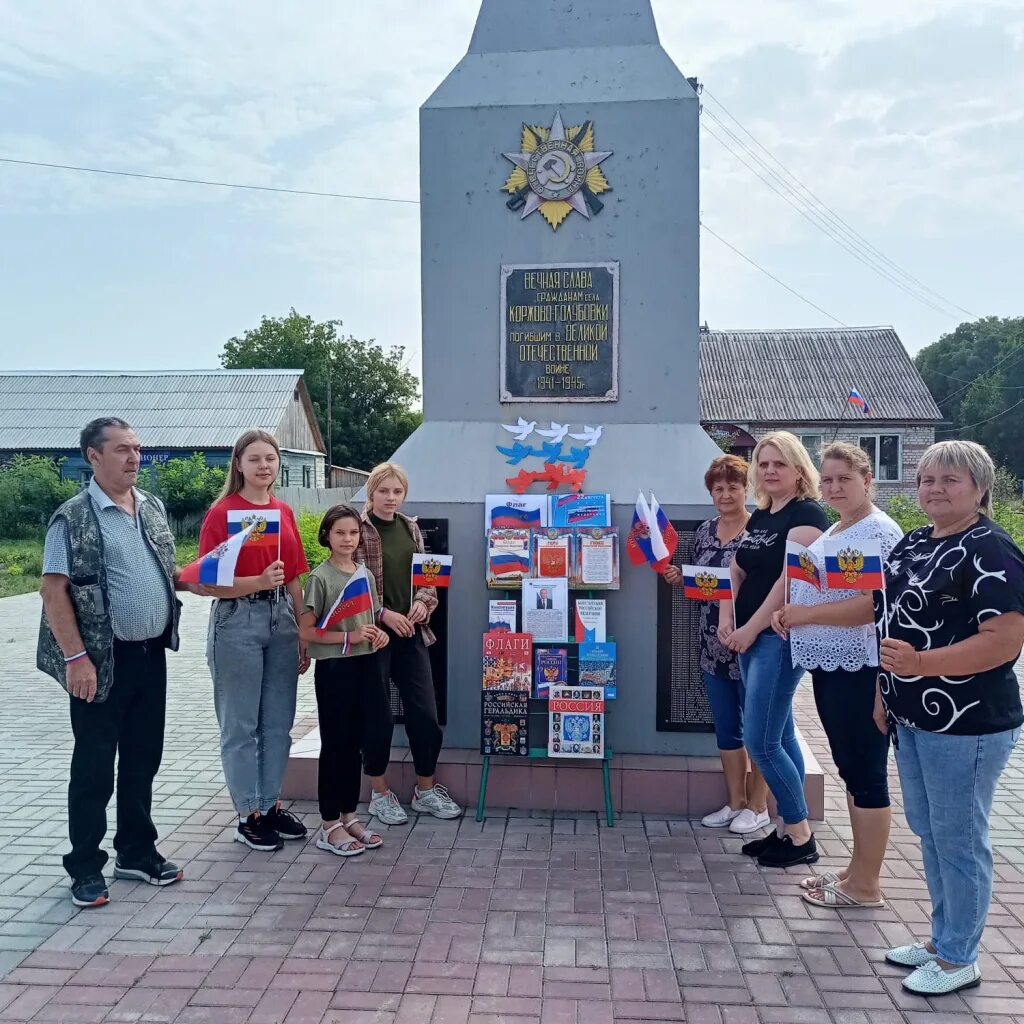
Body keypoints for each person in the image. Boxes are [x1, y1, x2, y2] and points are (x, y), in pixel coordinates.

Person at [874, 440, 1024, 996]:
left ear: (980, 488)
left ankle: (961, 955)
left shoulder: (991, 548)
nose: (934, 489)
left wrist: (920, 665)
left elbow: (1004, 641)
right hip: (913, 716)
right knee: (932, 832)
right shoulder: (915, 543)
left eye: (949, 480)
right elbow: (886, 620)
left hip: (968, 722)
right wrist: (885, 690)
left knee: (959, 837)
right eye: (925, 479)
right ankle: (943, 939)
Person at [39, 417, 190, 907]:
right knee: (94, 766)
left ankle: (136, 852)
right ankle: (85, 865)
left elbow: (168, 572)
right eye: (122, 449)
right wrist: (75, 658)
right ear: (93, 455)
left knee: (143, 758)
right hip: (99, 662)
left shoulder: (150, 507)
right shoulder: (72, 517)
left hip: (149, 656)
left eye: (138, 449)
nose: (134, 457)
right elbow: (53, 589)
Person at [772, 442, 902, 908]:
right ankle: (855, 870)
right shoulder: (839, 528)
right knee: (850, 769)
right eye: (826, 479)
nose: (833, 487)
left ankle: (866, 886)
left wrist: (805, 616)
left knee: (866, 773)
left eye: (844, 478)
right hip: (831, 664)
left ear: (868, 480)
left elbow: (873, 605)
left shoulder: (878, 532)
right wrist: (790, 611)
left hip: (862, 668)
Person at [719, 431, 828, 868]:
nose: (769, 471)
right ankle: (785, 828)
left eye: (778, 464)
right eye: (763, 464)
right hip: (747, 635)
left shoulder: (808, 516)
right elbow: (735, 568)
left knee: (759, 740)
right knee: (780, 735)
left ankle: (800, 836)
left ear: (799, 469)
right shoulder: (763, 516)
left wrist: (750, 630)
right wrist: (729, 620)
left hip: (776, 641)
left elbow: (790, 581)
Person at [198, 429, 310, 852]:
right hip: (236, 622)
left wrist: (302, 628)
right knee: (241, 725)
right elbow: (208, 583)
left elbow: (295, 574)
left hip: (281, 618)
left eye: (271, 459)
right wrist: (255, 582)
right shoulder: (222, 513)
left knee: (278, 725)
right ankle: (248, 814)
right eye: (255, 459)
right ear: (239, 465)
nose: (264, 466)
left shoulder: (283, 511)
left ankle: (270, 803)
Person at [664, 454, 771, 834]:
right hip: (712, 641)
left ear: (747, 489)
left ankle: (758, 806)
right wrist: (680, 577)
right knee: (727, 728)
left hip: (754, 641)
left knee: (759, 727)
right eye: (719, 488)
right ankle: (735, 802)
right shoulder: (706, 531)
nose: (726, 494)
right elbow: (703, 585)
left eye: (733, 487)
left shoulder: (760, 532)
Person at [358, 463, 463, 822]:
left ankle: (425, 790)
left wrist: (422, 602)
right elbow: (349, 583)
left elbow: (428, 580)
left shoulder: (411, 527)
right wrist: (383, 613)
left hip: (412, 634)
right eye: (384, 491)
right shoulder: (356, 529)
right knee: (377, 717)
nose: (390, 498)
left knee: (425, 715)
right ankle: (380, 793)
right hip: (374, 636)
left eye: (397, 492)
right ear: (372, 492)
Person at [298, 504, 392, 857]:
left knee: (359, 742)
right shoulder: (320, 578)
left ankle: (349, 815)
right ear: (327, 536)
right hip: (336, 669)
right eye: (340, 533)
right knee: (335, 744)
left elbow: (370, 618)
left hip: (367, 665)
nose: (348, 539)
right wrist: (347, 638)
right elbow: (307, 630)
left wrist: (378, 636)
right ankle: (328, 824)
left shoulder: (364, 574)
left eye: (353, 533)